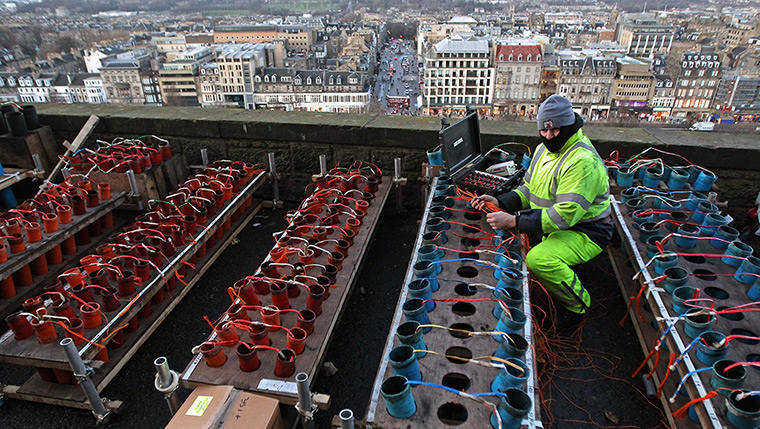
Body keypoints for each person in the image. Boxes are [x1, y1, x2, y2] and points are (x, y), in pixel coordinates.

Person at [472, 94, 613, 329]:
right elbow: (528, 190)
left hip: (586, 230)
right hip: (554, 224)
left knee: (540, 260)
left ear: (569, 125)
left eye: (556, 130)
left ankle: (577, 306)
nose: (549, 136)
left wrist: (513, 221)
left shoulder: (582, 161)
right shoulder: (542, 150)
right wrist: (499, 201)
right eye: (544, 131)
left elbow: (564, 216)